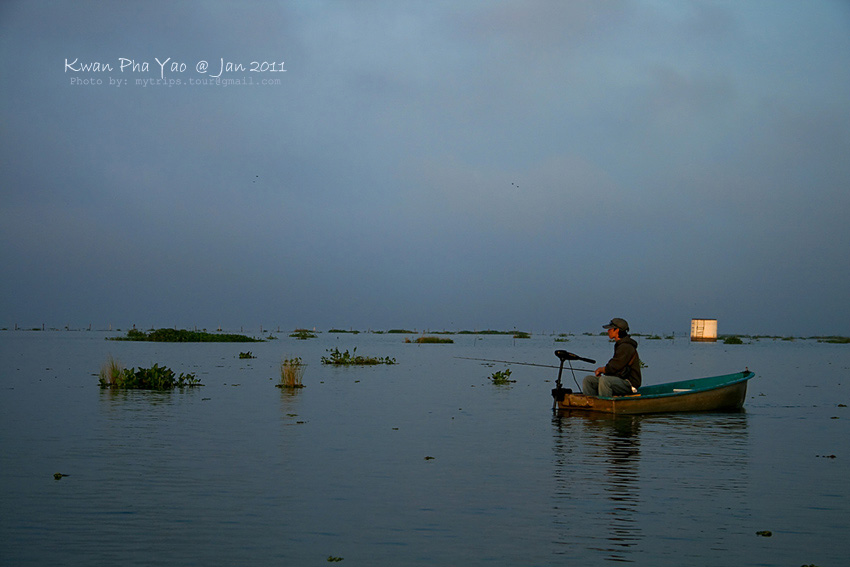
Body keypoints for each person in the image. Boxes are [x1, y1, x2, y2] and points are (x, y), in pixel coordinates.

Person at [582, 318, 642, 397]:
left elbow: (614, 366)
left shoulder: (626, 346)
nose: (608, 331)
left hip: (629, 384)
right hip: (618, 379)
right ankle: (592, 403)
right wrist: (604, 371)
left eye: (610, 329)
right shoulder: (620, 344)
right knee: (588, 380)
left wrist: (601, 369)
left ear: (617, 330)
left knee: (605, 381)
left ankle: (604, 405)